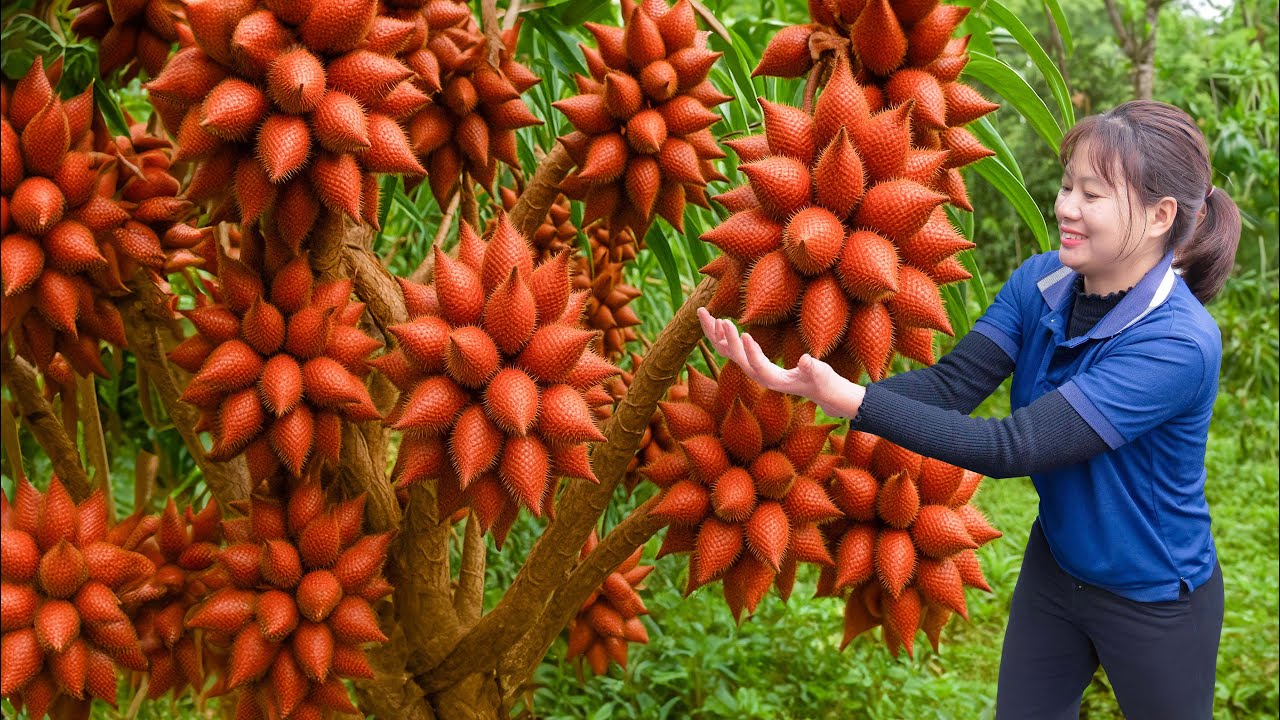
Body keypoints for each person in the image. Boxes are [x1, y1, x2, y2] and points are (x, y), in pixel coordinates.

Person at [698, 99, 1241, 720]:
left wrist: (846, 398)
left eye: (1092, 195)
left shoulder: (1178, 343)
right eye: (1067, 186)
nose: (1065, 207)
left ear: (1158, 214)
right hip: (1058, 566)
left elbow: (1013, 447)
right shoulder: (1044, 283)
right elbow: (954, 384)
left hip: (1153, 596)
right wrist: (799, 387)